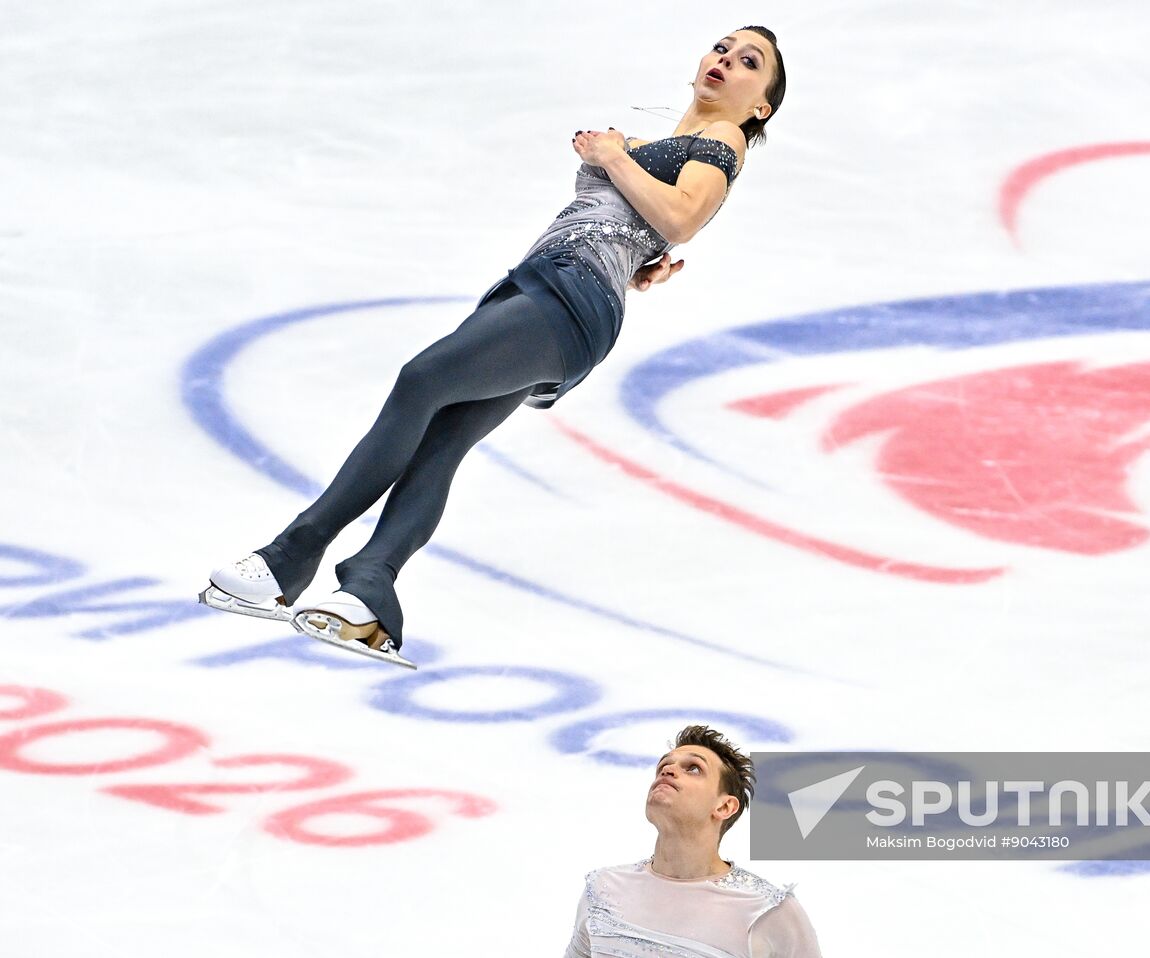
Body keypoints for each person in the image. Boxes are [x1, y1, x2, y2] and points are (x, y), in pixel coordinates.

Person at [197, 27, 788, 667]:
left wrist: (614, 157)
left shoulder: (721, 139)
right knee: (443, 438)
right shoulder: (665, 144)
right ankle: (369, 593)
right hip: (550, 287)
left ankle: (291, 556)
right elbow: (647, 224)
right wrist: (640, 257)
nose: (726, 60)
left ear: (760, 106)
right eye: (722, 48)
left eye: (749, 62)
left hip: (569, 299)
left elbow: (681, 218)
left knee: (421, 380)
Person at [564, 724, 822, 957]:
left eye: (694, 768)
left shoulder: (767, 912)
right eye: (664, 765)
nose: (668, 770)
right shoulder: (602, 890)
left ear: (724, 807)